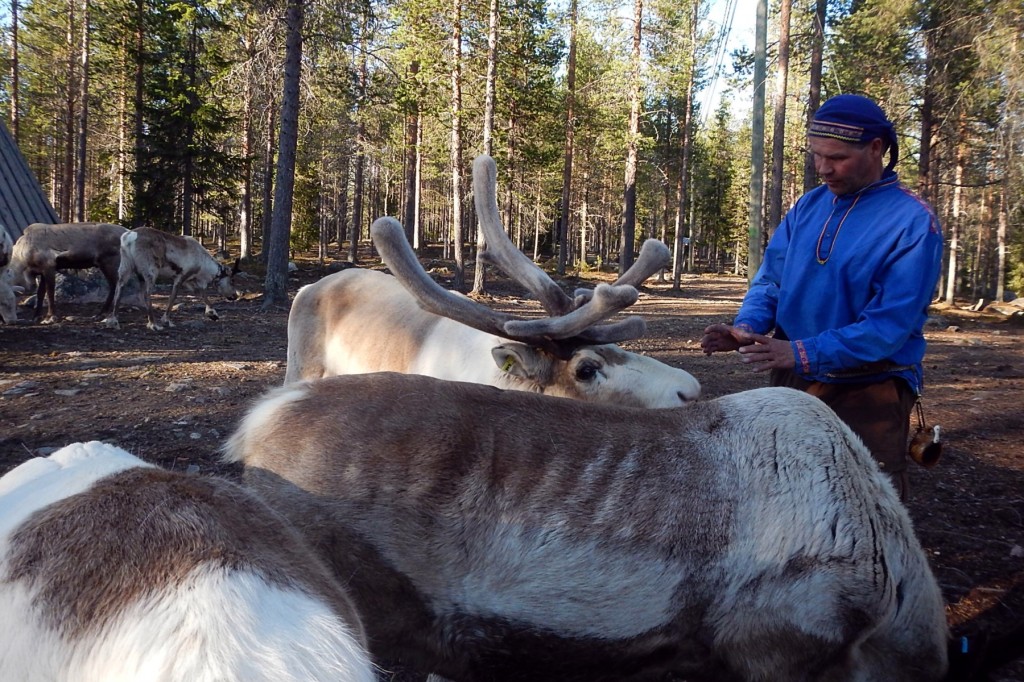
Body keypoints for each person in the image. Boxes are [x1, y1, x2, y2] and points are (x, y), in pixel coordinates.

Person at [700, 94, 943, 501]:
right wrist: (747, 327)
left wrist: (800, 352)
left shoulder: (913, 222)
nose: (823, 168)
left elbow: (888, 327)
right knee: (778, 486)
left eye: (837, 157)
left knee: (862, 501)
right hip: (791, 379)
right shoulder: (809, 206)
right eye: (816, 155)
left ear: (876, 148)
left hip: (869, 391)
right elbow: (771, 280)